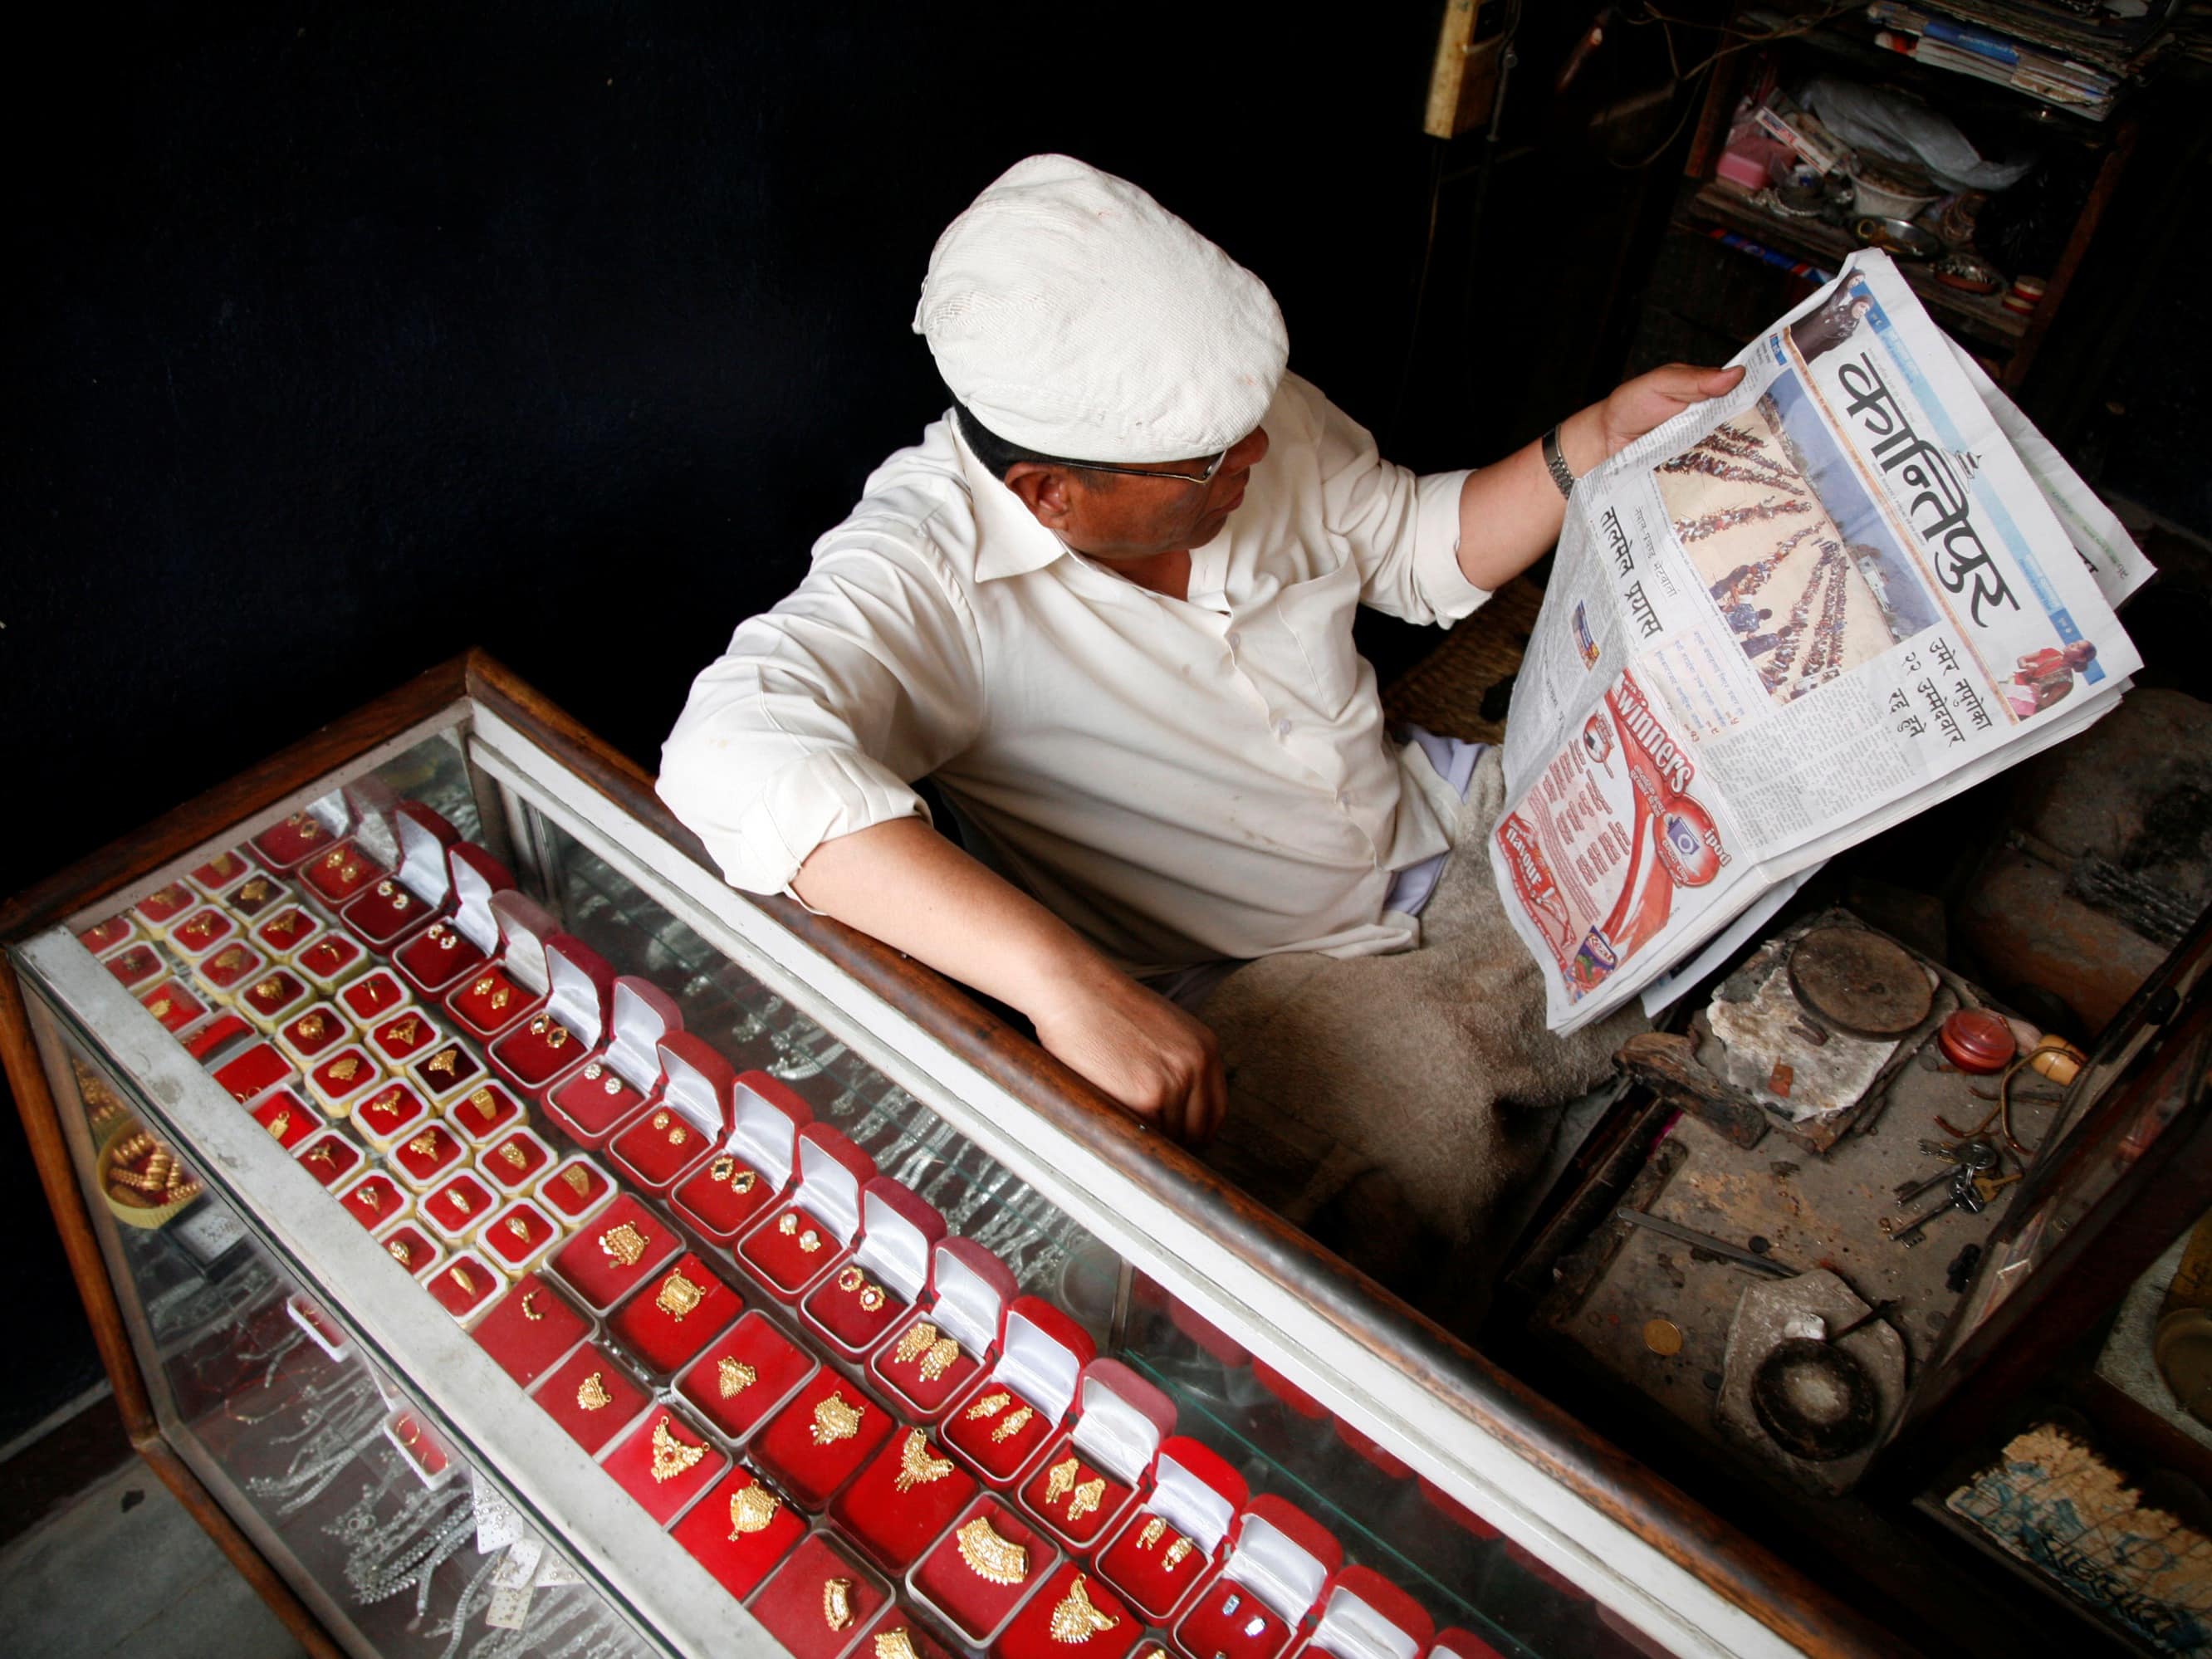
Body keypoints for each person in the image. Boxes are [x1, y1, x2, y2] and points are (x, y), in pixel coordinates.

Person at [658, 155, 1741, 1294]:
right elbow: (730, 751)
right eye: (1207, 463)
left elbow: (1415, 549)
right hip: (1268, 974)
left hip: (1431, 810)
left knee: (1712, 852)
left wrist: (1592, 440)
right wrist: (1059, 982)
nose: (1258, 456)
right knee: (1337, 1233)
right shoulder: (927, 573)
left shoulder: (1232, 419)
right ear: (1049, 493)